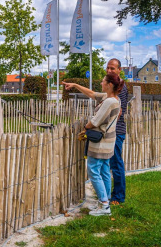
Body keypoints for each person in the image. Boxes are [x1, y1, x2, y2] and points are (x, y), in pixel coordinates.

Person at [62, 73, 124, 216]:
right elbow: (91, 93)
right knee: (104, 170)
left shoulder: (109, 102)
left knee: (93, 171)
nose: (101, 83)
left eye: (103, 81)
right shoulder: (114, 99)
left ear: (109, 85)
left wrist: (85, 128)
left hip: (100, 142)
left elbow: (96, 121)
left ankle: (104, 206)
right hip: (109, 141)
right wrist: (75, 85)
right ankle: (106, 200)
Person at [106, 58, 128, 205]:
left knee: (116, 164)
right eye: (107, 68)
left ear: (119, 70)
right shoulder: (113, 85)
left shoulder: (120, 87)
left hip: (116, 131)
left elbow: (117, 111)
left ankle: (118, 197)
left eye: (112, 68)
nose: (109, 71)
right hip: (111, 131)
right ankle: (109, 194)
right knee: (111, 164)